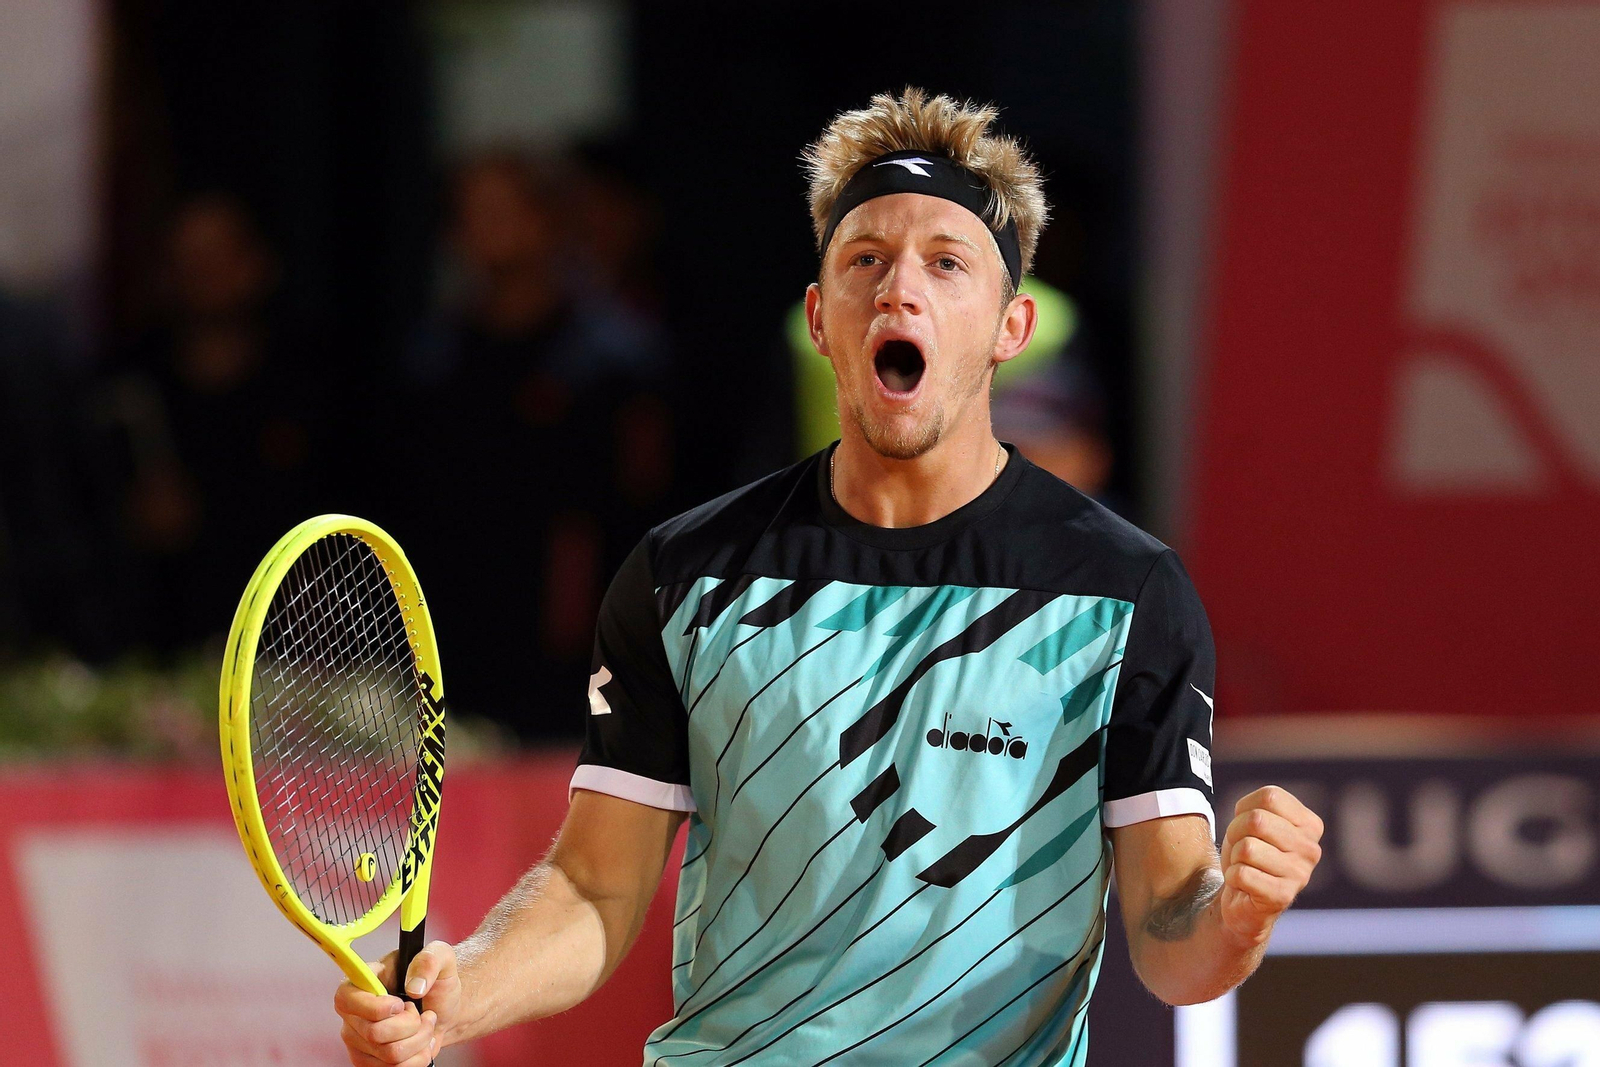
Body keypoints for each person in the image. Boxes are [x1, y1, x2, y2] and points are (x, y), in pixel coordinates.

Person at [334, 88, 1323, 1066]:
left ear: (1010, 327)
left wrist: (1236, 914)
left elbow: (1169, 930)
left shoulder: (1125, 594)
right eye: (865, 260)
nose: (900, 289)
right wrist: (460, 991)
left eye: (946, 262)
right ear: (819, 316)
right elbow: (596, 885)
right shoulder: (686, 578)